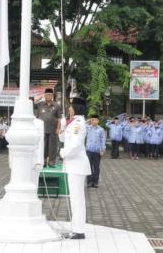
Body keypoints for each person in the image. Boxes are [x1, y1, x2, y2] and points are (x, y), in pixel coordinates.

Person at [59, 97, 91, 239]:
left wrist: (62, 153)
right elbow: (63, 139)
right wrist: (62, 127)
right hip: (73, 165)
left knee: (77, 199)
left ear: (77, 108)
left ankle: (79, 231)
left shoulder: (78, 124)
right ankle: (76, 229)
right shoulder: (72, 122)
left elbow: (76, 145)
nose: (69, 109)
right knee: (74, 198)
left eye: (71, 107)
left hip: (77, 165)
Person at [36, 88, 62, 167]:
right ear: (44, 95)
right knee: (43, 146)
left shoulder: (56, 105)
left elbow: (59, 118)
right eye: (47, 94)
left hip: (53, 130)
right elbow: (31, 103)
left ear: (52, 96)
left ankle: (51, 162)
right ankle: (43, 161)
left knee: (52, 147)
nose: (48, 96)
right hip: (42, 130)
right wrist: (39, 98)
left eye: (50, 95)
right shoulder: (40, 104)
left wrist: (58, 128)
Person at [86, 114, 106, 188]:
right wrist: (88, 120)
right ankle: (89, 181)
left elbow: (103, 140)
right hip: (89, 150)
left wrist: (102, 149)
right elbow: (82, 124)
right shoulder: (88, 128)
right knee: (88, 167)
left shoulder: (101, 130)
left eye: (94, 120)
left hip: (97, 151)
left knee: (96, 167)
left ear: (98, 121)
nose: (93, 121)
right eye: (92, 120)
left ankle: (95, 182)